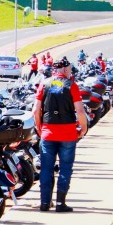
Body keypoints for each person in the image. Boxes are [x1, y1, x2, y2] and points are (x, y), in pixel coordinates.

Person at [32, 58, 89, 212]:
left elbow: (36, 110)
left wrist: (39, 127)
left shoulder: (44, 84)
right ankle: (60, 203)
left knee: (46, 168)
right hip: (67, 132)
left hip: (48, 132)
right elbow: (80, 111)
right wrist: (83, 128)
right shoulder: (71, 85)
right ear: (64, 69)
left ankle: (45, 202)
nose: (70, 72)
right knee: (65, 168)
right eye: (69, 69)